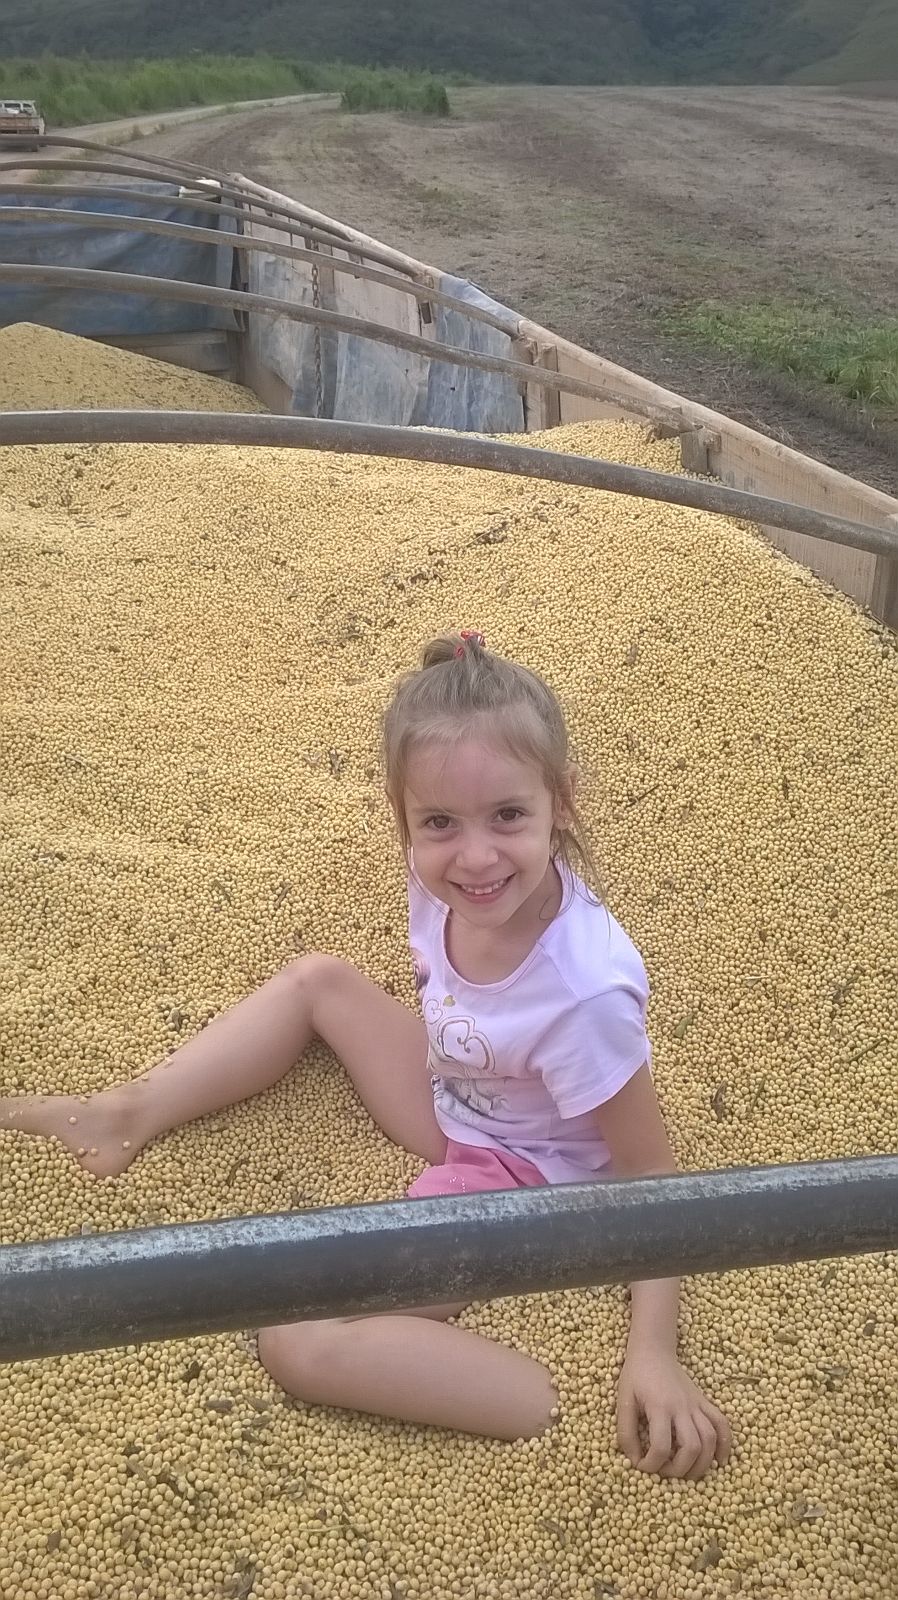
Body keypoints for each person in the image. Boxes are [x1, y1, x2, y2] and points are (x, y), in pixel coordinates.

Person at [1, 631, 731, 1477]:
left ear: (560, 802)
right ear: (404, 817)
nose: (476, 856)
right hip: (462, 1087)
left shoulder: (585, 993)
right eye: (440, 823)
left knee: (299, 1333)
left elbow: (650, 1174)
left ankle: (541, 1406)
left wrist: (653, 1350)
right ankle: (128, 1111)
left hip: (532, 1183)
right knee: (320, 981)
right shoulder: (448, 883)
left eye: (508, 816)